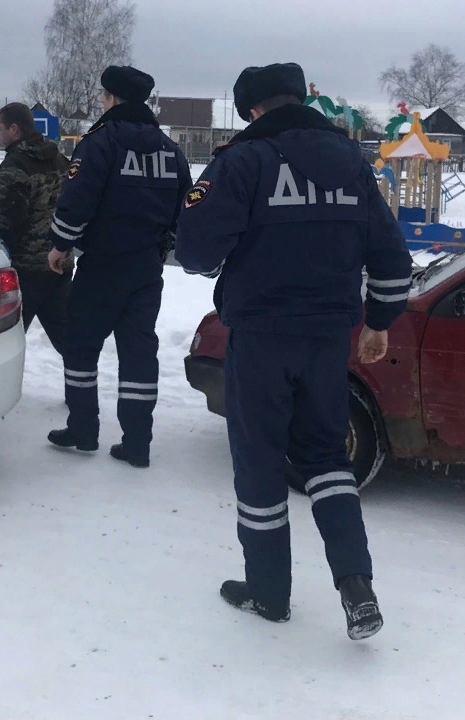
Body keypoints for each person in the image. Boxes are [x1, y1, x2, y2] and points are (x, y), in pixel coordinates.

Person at [175, 62, 412, 641]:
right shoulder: (353, 163)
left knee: (259, 461)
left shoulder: (243, 161)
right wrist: (378, 322)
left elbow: (196, 252)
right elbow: (391, 259)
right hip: (329, 338)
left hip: (260, 336)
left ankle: (268, 593)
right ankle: (356, 585)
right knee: (328, 459)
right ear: (301, 98)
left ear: (253, 110)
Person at [45, 66, 191, 468]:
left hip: (103, 265)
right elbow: (186, 210)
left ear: (110, 98)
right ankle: (137, 443)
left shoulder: (100, 142)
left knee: (81, 346)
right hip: (147, 269)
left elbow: (77, 200)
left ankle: (83, 429)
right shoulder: (169, 150)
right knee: (139, 352)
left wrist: (60, 246)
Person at [0, 102, 71, 353]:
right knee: (68, 340)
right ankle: (81, 387)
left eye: (0, 129)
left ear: (14, 129)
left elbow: (11, 219)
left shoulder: (14, 167)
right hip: (60, 262)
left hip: (26, 269)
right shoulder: (60, 160)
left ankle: (1, 390)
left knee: (6, 341)